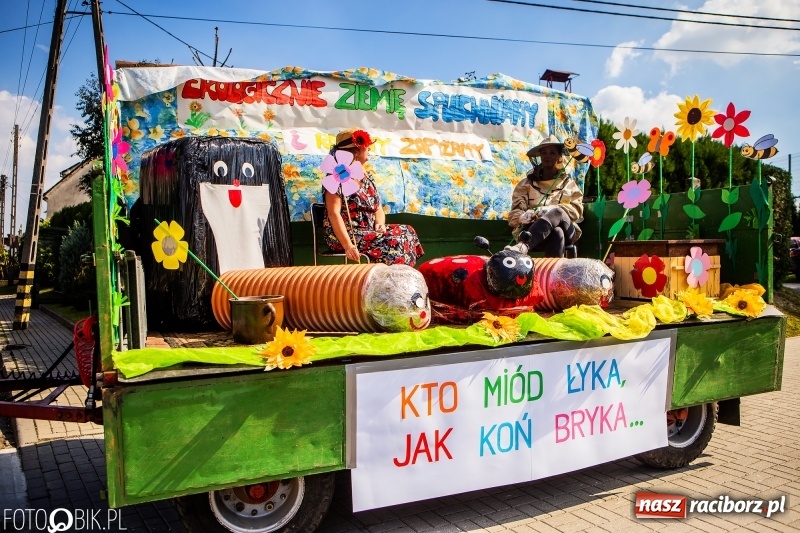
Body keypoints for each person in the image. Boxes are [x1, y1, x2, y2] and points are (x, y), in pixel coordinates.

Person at [322, 127, 425, 266]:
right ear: (356, 151)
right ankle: (393, 280)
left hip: (369, 231)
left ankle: (403, 277)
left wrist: (380, 224)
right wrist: (348, 245)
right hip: (348, 235)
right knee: (395, 240)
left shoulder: (366, 176)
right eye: (367, 147)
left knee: (407, 232)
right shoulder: (336, 177)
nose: (369, 150)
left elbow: (378, 208)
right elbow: (334, 214)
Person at [507, 135, 583, 257]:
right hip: (534, 235)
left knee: (557, 212)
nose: (547, 156)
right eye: (544, 153)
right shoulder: (525, 184)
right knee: (556, 233)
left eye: (552, 152)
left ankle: (523, 246)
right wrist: (522, 217)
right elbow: (513, 215)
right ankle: (553, 273)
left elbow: (577, 211)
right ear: (540, 156)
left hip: (568, 230)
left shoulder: (570, 184)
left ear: (559, 156)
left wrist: (551, 210)